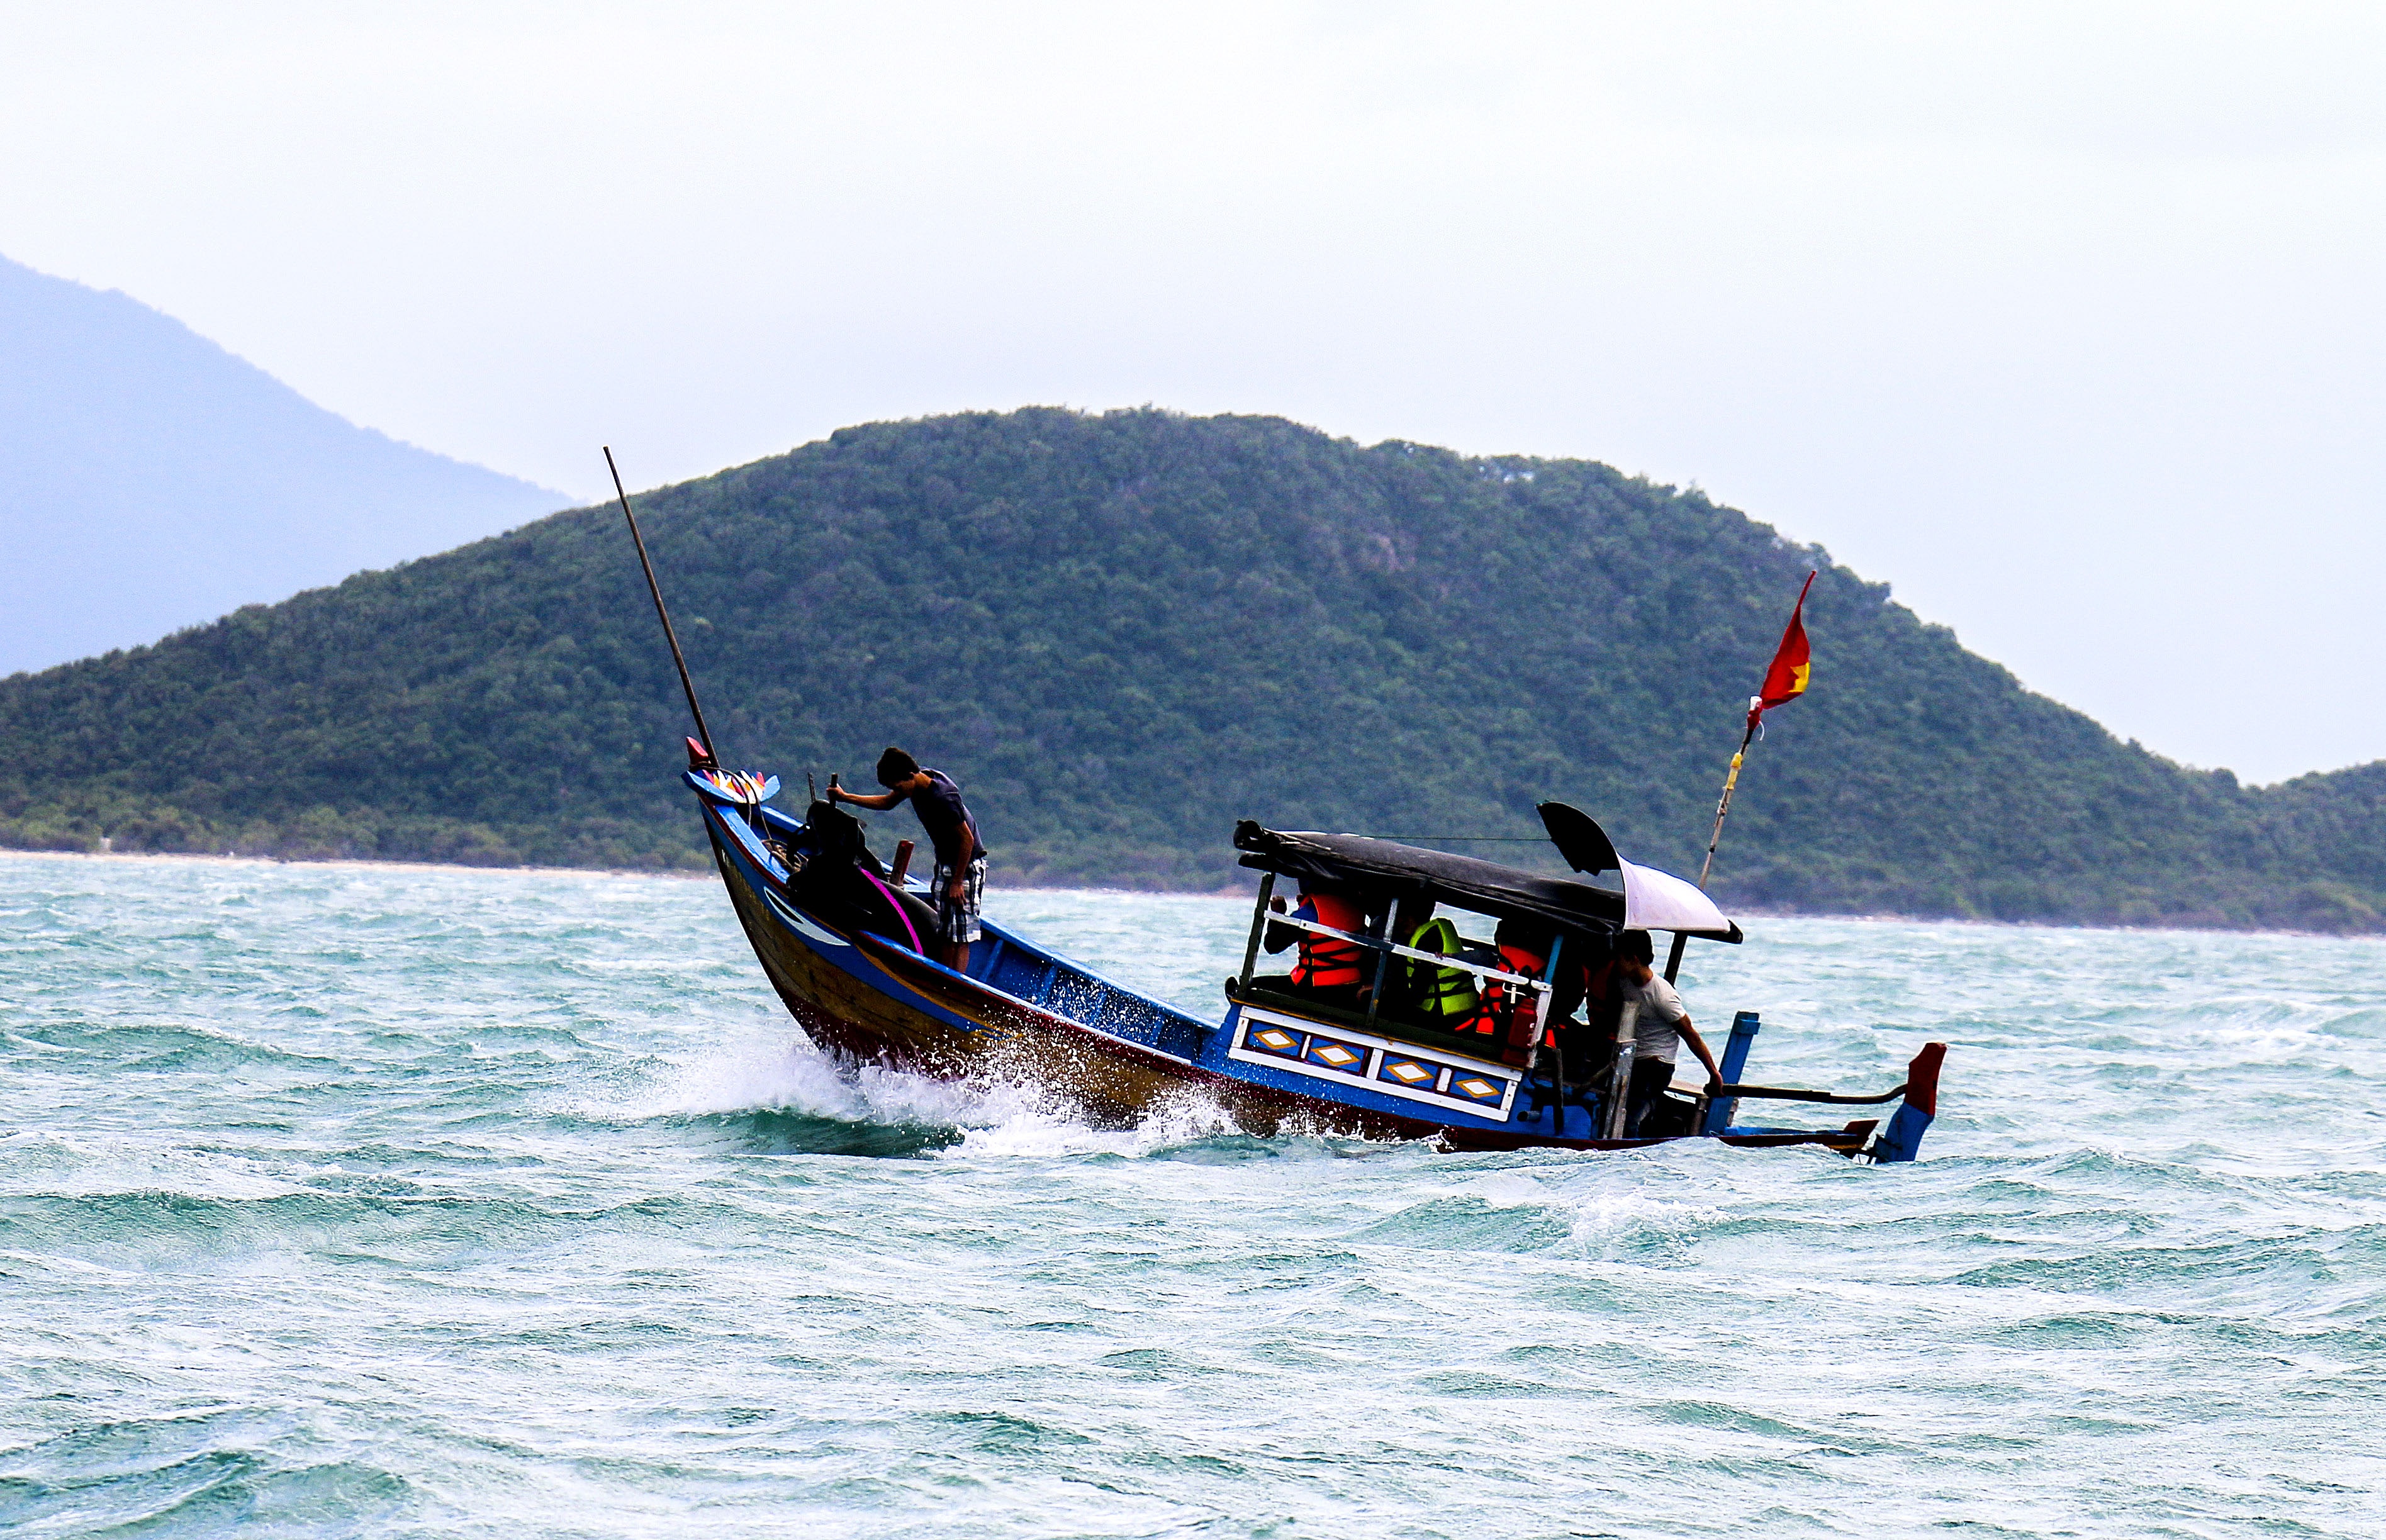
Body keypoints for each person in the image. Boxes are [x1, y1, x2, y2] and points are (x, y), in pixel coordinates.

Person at [827, 747, 985, 970]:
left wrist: (958, 882)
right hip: (945, 863)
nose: (897, 791)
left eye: (898, 787)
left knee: (960, 933)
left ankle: (953, 985)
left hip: (966, 865)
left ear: (911, 776)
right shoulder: (915, 784)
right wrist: (844, 798)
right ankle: (944, 978)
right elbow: (886, 803)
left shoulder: (943, 798)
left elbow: (967, 840)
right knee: (946, 929)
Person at [1608, 930, 1724, 1136]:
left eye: (1618, 957)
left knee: (1630, 1117)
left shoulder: (1662, 996)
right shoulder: (1624, 981)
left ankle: (1627, 1153)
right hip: (1632, 1059)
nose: (1615, 963)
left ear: (1634, 959)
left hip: (1656, 1065)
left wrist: (1714, 1074)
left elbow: (1691, 1036)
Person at [1262, 886, 1369, 1008]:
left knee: (1254, 986)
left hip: (1316, 988)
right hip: (1351, 987)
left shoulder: (1311, 912)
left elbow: (1273, 946)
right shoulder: (1356, 907)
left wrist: (1277, 915)